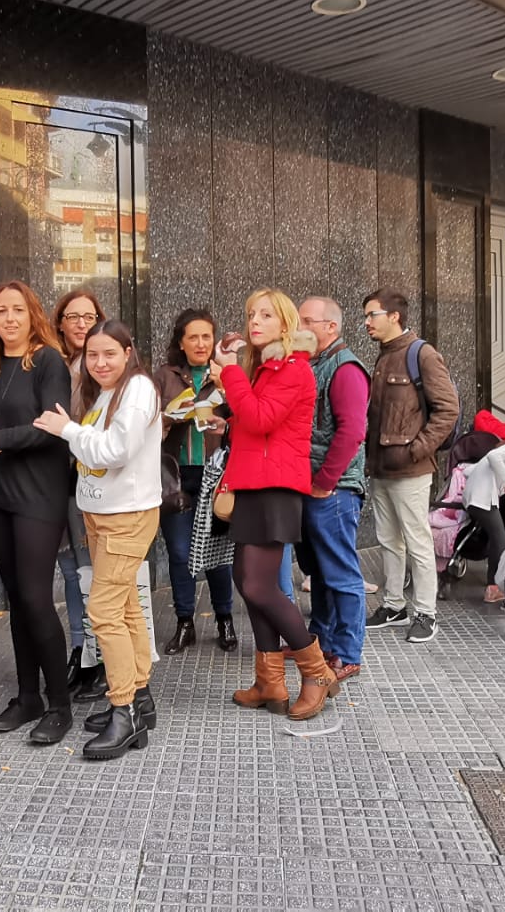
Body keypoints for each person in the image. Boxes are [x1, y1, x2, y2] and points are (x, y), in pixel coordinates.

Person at [0, 281, 76, 745]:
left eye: (17, 310)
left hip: (38, 496)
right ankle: (28, 697)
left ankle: (59, 705)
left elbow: (51, 428)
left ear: (32, 315)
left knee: (37, 598)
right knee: (16, 597)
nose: (9, 318)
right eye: (1, 310)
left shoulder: (47, 361)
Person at [34, 320, 161, 759]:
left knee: (103, 610)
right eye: (92, 355)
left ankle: (123, 710)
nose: (100, 363)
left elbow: (115, 451)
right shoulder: (107, 393)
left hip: (127, 516)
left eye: (109, 353)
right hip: (103, 515)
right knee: (123, 608)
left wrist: (67, 429)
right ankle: (139, 701)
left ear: (129, 352)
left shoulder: (139, 388)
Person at [218, 289, 336, 720]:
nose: (255, 321)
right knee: (245, 580)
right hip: (254, 484)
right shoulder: (266, 368)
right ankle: (269, 682)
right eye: (251, 313)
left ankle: (317, 671)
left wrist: (230, 375)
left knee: (258, 585)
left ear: (286, 325)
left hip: (276, 488)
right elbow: (255, 426)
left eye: (266, 315)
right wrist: (227, 419)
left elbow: (261, 418)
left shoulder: (292, 369)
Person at [359, 288, 459, 645]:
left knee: (417, 540)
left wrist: (417, 450)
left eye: (372, 315)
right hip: (381, 466)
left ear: (394, 317)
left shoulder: (422, 354)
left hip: (411, 468)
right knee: (388, 539)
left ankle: (426, 612)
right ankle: (394, 605)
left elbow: (448, 410)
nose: (367, 322)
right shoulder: (383, 356)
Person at [153, 309, 237, 654]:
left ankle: (224, 619)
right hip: (176, 474)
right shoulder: (164, 376)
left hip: (217, 473)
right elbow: (148, 423)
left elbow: (246, 417)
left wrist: (225, 391)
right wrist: (171, 415)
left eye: (206, 337)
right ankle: (185, 621)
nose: (201, 344)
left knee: (217, 552)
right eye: (193, 337)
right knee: (179, 551)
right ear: (181, 343)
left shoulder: (227, 375)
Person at [295, 297, 370, 681]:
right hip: (312, 486)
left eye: (308, 321)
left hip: (334, 489)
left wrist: (324, 482)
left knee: (340, 573)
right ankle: (321, 641)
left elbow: (353, 431)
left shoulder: (345, 368)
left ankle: (347, 653)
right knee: (320, 571)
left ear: (331, 327)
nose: (300, 327)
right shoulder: (315, 363)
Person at [50, 287, 107, 698]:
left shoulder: (107, 368)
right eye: (73, 317)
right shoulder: (52, 364)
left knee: (93, 572)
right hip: (58, 480)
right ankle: (79, 651)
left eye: (88, 317)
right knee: (71, 571)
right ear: (60, 323)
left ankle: (102, 656)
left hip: (97, 483)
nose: (81, 324)